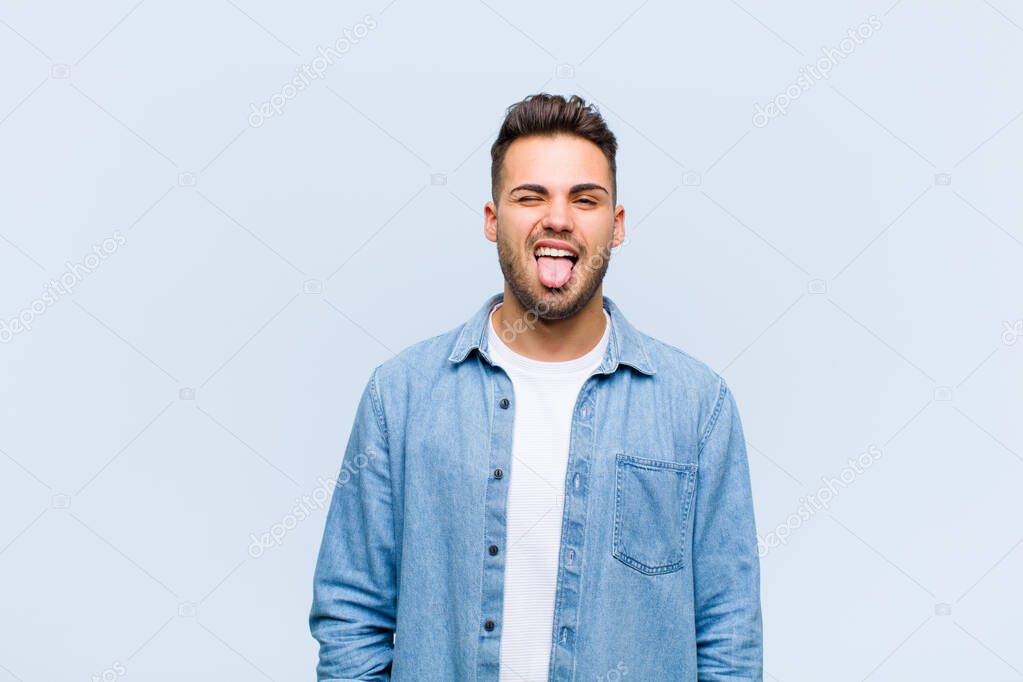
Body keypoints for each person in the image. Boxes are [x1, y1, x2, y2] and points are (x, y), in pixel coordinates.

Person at [310, 93, 763, 681]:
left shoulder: (697, 408)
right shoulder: (400, 399)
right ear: (493, 219)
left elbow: (729, 633)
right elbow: (351, 615)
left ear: (617, 225)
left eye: (585, 198)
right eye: (531, 196)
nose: (558, 218)